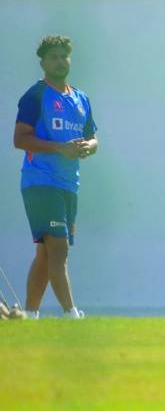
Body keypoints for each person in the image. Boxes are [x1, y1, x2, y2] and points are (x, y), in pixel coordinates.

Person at [13, 35, 98, 319]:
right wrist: (60, 148)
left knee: (45, 253)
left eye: (64, 56)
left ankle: (31, 315)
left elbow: (93, 138)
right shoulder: (35, 95)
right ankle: (71, 313)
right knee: (58, 249)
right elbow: (20, 139)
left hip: (68, 184)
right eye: (54, 57)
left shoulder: (81, 98)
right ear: (43, 63)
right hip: (40, 182)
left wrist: (88, 147)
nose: (60, 61)